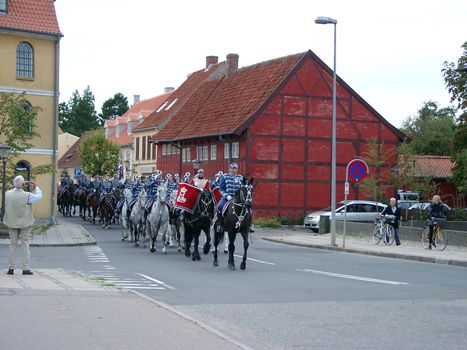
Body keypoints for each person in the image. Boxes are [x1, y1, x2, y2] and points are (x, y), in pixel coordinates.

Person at [4, 176, 42, 275]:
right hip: (25, 223)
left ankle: (11, 268)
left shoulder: (7, 194)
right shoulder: (27, 195)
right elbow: (39, 196)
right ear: (23, 184)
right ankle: (25, 268)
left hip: (12, 222)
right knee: (25, 244)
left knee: (12, 245)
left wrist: (19, 185)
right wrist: (36, 187)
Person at [215, 163, 243, 234]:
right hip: (227, 197)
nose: (232, 170)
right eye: (231, 168)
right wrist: (226, 196)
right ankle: (220, 225)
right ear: (229, 169)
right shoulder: (224, 176)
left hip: (237, 198)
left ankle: (249, 225)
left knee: (248, 207)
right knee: (219, 206)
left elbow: (243, 189)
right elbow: (221, 189)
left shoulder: (240, 178)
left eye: (234, 168)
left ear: (237, 169)